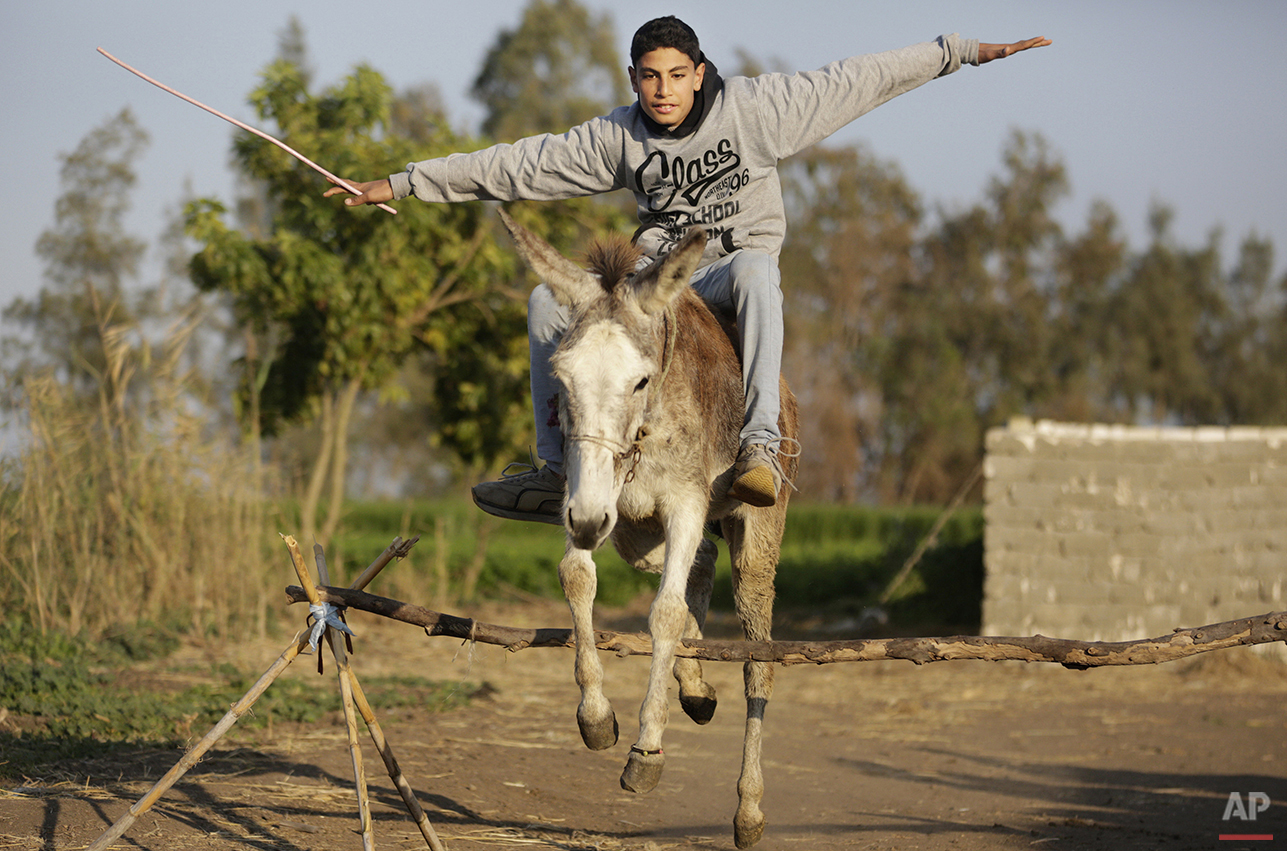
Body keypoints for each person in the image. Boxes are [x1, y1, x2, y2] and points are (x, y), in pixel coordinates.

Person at [328, 16, 1050, 524]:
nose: (663, 91)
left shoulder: (760, 110)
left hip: (728, 270)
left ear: (699, 74)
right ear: (634, 81)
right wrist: (400, 181)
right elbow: (515, 162)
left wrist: (961, 51)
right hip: (655, 286)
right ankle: (554, 468)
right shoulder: (618, 136)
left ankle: (761, 445)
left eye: (677, 76)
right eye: (649, 79)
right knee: (547, 306)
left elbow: (861, 79)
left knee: (759, 272)